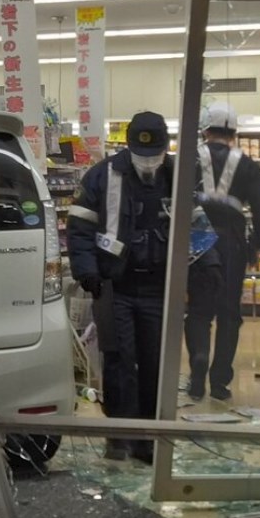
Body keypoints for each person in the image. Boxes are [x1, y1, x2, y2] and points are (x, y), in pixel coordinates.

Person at [67, 111, 173, 464]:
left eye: (153, 154)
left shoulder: (179, 176)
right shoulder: (102, 175)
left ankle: (149, 438)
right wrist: (87, 271)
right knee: (118, 361)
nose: (148, 162)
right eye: (141, 154)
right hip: (114, 286)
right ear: (128, 147)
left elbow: (200, 230)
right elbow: (80, 228)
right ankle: (119, 434)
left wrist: (205, 276)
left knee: (155, 363)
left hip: (160, 288)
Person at [185, 101, 260, 401]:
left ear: (205, 131)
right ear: (234, 133)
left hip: (197, 244)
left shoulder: (189, 159)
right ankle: (220, 381)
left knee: (198, 311)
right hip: (233, 245)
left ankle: (197, 365)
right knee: (229, 315)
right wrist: (255, 246)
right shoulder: (248, 165)